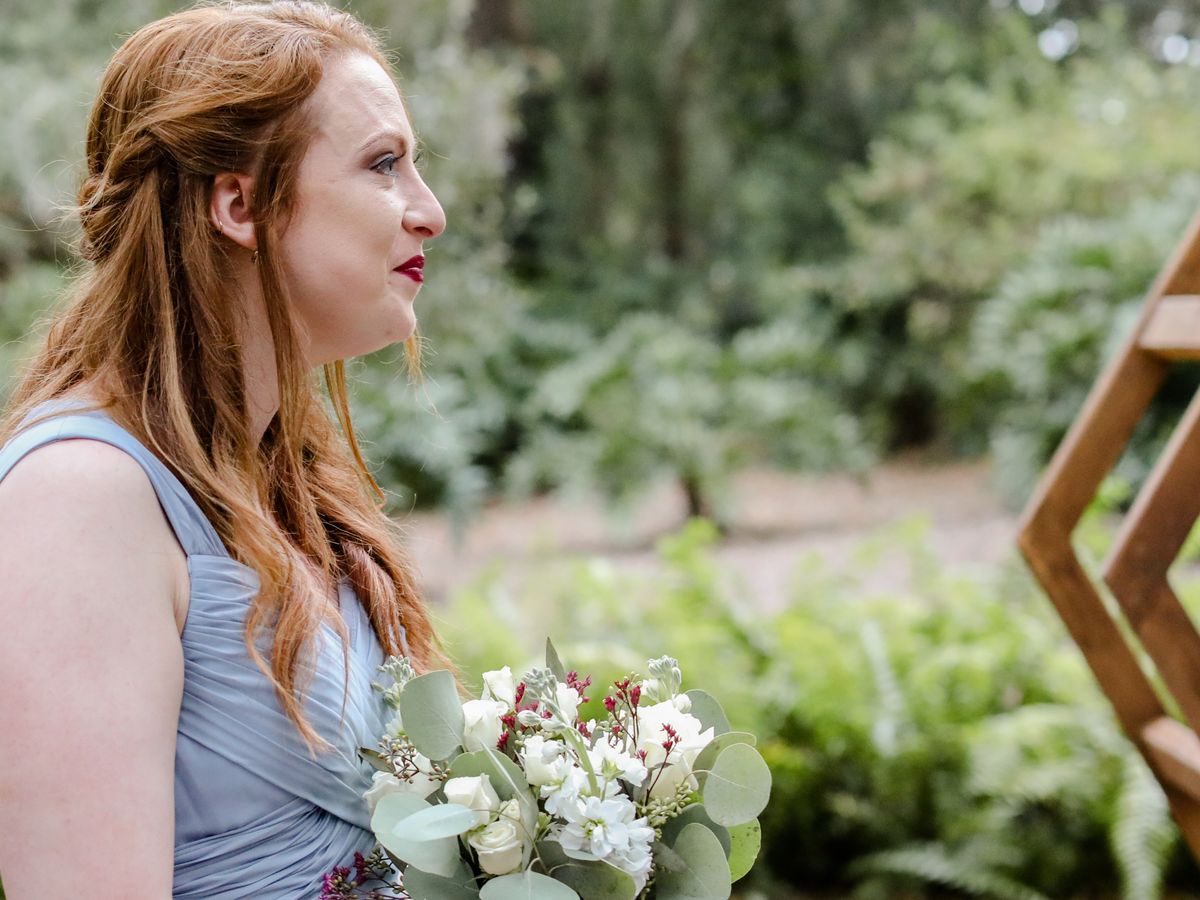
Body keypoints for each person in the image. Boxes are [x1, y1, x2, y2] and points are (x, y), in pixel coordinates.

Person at [0, 2, 449, 896]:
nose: (428, 212)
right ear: (239, 205)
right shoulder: (78, 500)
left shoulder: (284, 480)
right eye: (383, 164)